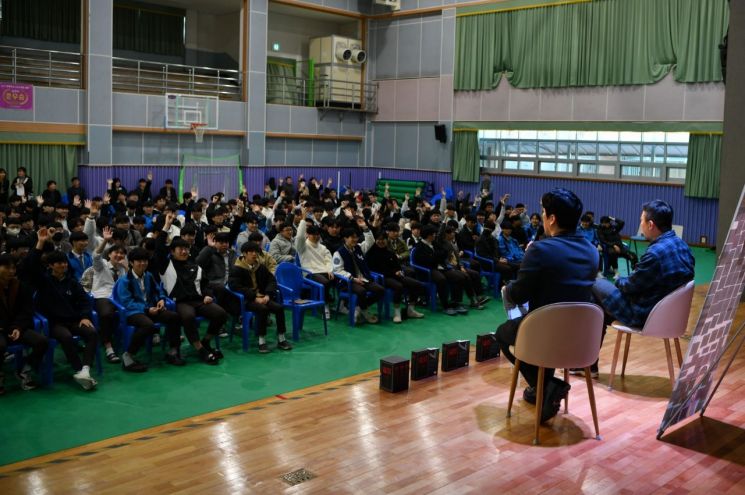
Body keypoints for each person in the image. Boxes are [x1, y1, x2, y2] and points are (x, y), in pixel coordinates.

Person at [496, 188, 599, 423]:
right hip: (580, 339)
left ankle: (545, 386)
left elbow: (520, 294)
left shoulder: (540, 250)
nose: (541, 216)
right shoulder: (593, 252)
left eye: (543, 212)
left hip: (544, 334)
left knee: (503, 334)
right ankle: (542, 389)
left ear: (552, 219)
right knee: (546, 325)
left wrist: (508, 288)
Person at [593, 200, 695, 342]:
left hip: (643, 314)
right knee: (601, 306)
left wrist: (618, 280)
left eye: (641, 220)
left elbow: (629, 286)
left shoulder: (655, 254)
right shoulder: (683, 246)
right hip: (671, 316)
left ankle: (587, 360)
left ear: (650, 224)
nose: (640, 224)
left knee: (594, 283)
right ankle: (589, 360)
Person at [28, 228, 100, 390]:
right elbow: (32, 266)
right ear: (51, 266)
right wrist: (40, 242)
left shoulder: (72, 282)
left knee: (92, 332)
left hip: (73, 320)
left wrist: (85, 316)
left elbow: (84, 301)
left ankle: (85, 370)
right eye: (59, 263)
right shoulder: (44, 281)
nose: (63, 265)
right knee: (66, 337)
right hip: (54, 323)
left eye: (64, 262)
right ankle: (78, 369)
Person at [154, 234, 227, 365]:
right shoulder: (166, 265)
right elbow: (158, 248)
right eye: (180, 249)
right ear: (172, 251)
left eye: (186, 249)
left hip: (198, 301)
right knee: (188, 317)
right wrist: (165, 226)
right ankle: (200, 349)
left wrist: (207, 295)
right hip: (180, 302)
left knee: (220, 314)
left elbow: (205, 284)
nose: (184, 252)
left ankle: (206, 341)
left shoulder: (195, 266)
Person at [115, 248, 183, 370]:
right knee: (148, 325)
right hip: (134, 312)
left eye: (145, 260)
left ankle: (173, 351)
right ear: (131, 263)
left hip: (151, 309)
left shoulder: (149, 276)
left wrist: (161, 299)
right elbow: (127, 302)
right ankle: (128, 357)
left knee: (174, 317)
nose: (143, 263)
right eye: (139, 261)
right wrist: (146, 309)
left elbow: (159, 290)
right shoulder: (124, 281)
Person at [229, 242, 292, 353]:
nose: (254, 254)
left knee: (279, 308)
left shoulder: (260, 267)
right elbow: (235, 286)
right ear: (244, 253)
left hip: (263, 297)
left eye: (256, 252)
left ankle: (281, 338)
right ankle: (261, 340)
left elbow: (271, 280)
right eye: (251, 252)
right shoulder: (237, 268)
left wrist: (268, 294)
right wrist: (254, 297)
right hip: (247, 300)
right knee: (262, 310)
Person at [0, 254, 49, 395]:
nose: (11, 271)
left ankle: (24, 370)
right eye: (6, 267)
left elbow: (26, 311)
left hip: (17, 327)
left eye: (13, 268)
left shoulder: (21, 287)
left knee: (42, 342)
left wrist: (17, 327)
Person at [365, 231, 425, 323]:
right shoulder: (371, 253)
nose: (381, 241)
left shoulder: (390, 252)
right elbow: (376, 270)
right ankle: (397, 313)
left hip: (395, 275)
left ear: (386, 240)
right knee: (398, 286)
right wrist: (394, 273)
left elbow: (397, 265)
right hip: (382, 278)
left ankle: (410, 310)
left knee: (416, 284)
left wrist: (399, 271)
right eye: (378, 239)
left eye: (383, 239)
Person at [332, 219, 385, 324]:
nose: (355, 239)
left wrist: (365, 228)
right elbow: (337, 271)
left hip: (364, 279)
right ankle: (365, 312)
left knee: (380, 290)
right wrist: (353, 279)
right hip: (348, 282)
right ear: (345, 239)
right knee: (361, 291)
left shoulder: (359, 248)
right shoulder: (338, 253)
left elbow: (370, 241)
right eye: (352, 237)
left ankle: (359, 308)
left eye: (356, 237)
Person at [295, 213, 335, 319]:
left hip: (324, 272)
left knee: (336, 279)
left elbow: (328, 260)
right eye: (313, 234)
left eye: (318, 234)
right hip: (309, 273)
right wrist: (303, 220)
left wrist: (330, 270)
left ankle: (340, 305)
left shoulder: (322, 247)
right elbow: (299, 236)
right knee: (325, 282)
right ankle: (325, 306)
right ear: (307, 234)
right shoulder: (302, 246)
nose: (316, 236)